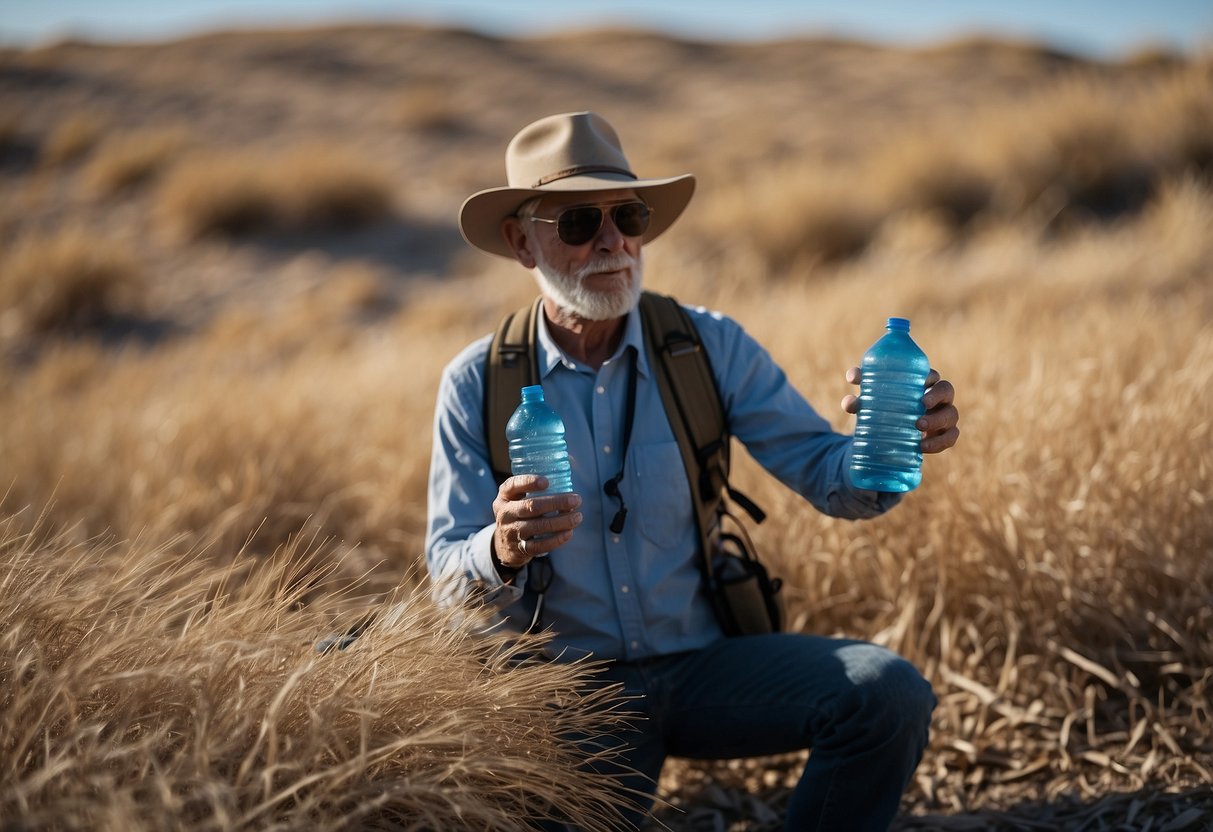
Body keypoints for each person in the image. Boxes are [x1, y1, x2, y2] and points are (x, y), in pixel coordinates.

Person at [426, 111, 960, 832]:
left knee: (883, 693)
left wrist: (890, 442)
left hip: (707, 670)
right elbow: (445, 573)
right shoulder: (477, 383)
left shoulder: (707, 346)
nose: (613, 240)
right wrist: (499, 547)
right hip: (573, 697)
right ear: (523, 242)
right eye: (579, 221)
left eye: (628, 215)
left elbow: (830, 477)